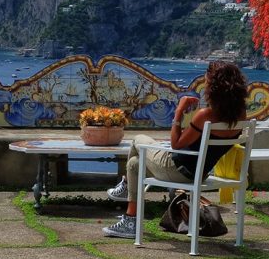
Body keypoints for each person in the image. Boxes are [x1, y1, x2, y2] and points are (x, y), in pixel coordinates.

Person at [102, 61, 248, 238]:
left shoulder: (205, 116)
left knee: (138, 140)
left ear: (214, 86)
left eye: (207, 79)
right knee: (134, 164)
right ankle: (130, 217)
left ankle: (125, 187)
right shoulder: (241, 115)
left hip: (175, 169)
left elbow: (176, 144)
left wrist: (179, 111)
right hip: (199, 173)